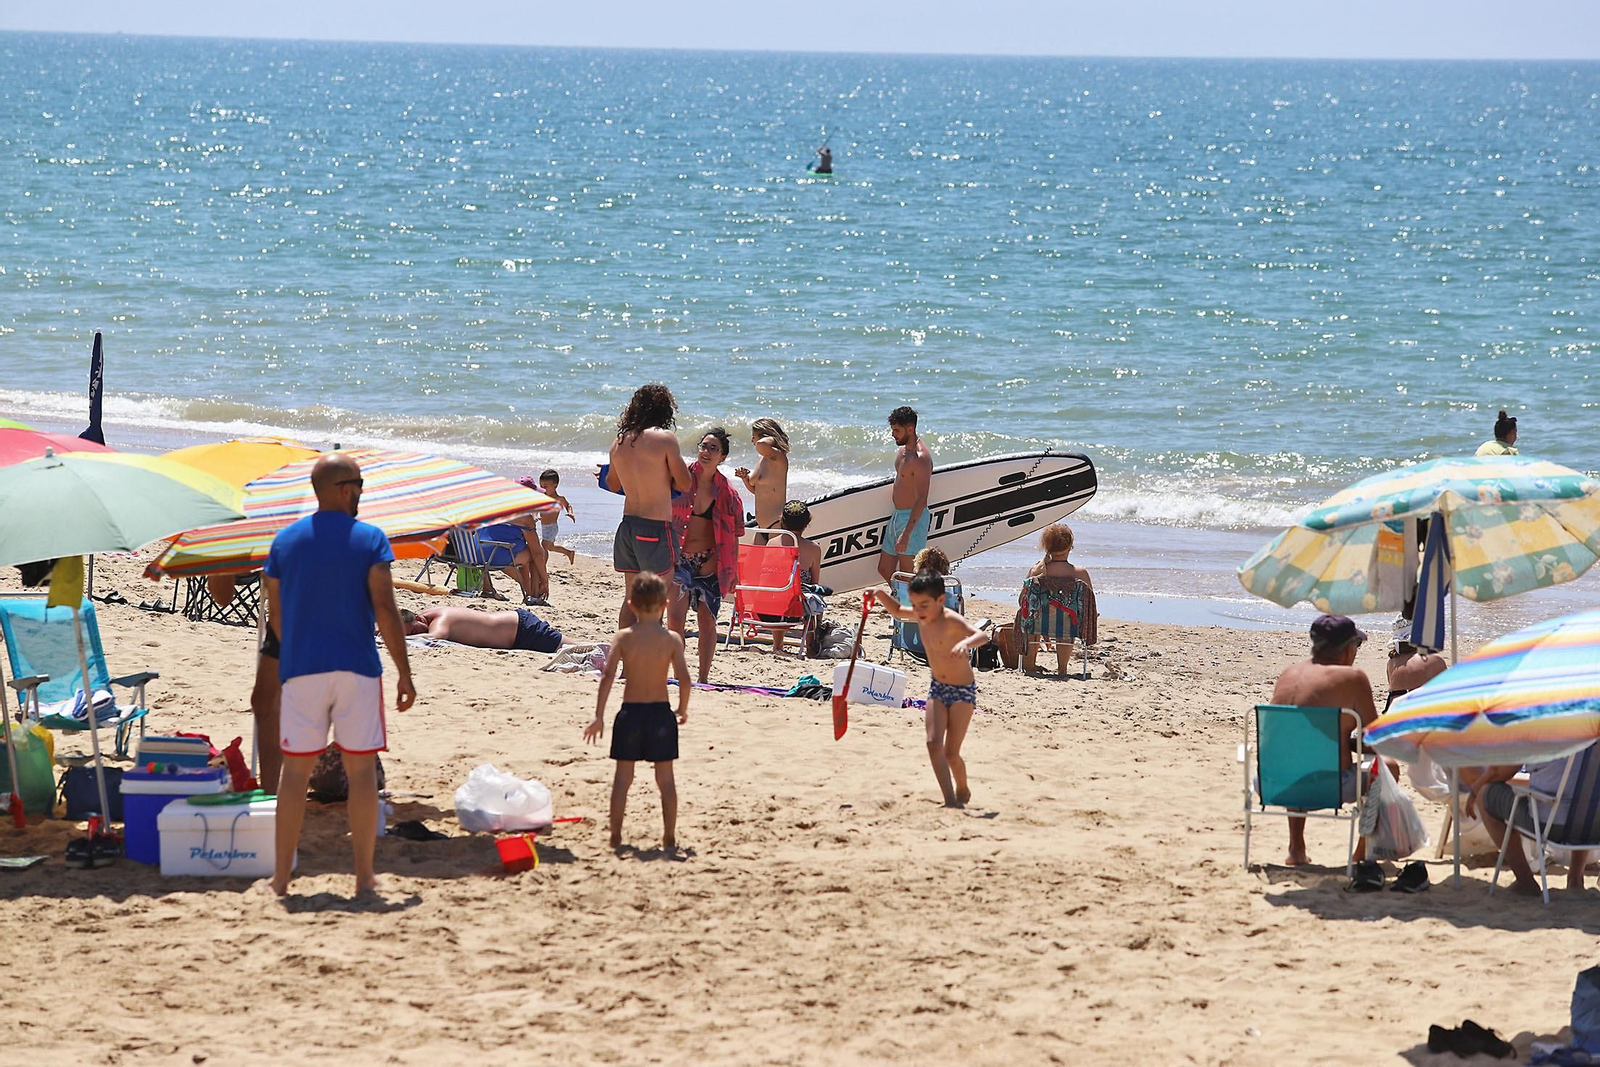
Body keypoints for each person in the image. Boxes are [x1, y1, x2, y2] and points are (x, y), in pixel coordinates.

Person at [263, 453, 415, 897]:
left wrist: (295, 655)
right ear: (345, 489)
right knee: (361, 771)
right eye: (360, 486)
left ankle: (281, 878)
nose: (362, 493)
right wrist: (404, 672)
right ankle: (364, 876)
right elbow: (385, 609)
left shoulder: (285, 541)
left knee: (295, 774)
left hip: (302, 670)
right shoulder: (369, 539)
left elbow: (276, 615)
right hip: (357, 668)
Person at [1269, 615, 1391, 867]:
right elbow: (1377, 737)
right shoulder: (1353, 678)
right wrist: (1352, 744)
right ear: (1347, 649)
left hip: (1274, 782)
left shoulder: (1289, 673)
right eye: (1357, 645)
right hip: (1330, 787)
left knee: (1298, 758)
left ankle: (1296, 848)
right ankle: (1361, 853)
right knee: (1389, 766)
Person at [583, 575, 690, 853]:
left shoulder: (624, 637)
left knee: (623, 779)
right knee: (666, 780)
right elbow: (685, 679)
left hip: (630, 713)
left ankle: (616, 835)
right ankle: (669, 836)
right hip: (660, 715)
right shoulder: (672, 640)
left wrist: (599, 715)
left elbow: (608, 676)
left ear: (631, 604)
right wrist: (682, 707)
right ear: (665, 605)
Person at [869, 570, 989, 808]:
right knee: (933, 743)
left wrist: (966, 643)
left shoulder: (951, 620)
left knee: (951, 753)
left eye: (924, 605)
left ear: (940, 600)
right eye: (915, 605)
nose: (918, 611)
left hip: (962, 691)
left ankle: (962, 786)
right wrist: (880, 593)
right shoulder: (920, 615)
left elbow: (982, 635)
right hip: (938, 688)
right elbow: (897, 610)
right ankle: (950, 800)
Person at [608, 384, 692, 629]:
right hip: (655, 528)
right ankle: (649, 650)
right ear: (665, 410)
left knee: (631, 598)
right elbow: (685, 483)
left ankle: (626, 651)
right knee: (655, 600)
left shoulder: (619, 442)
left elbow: (613, 484)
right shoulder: (664, 439)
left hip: (628, 526)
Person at [669, 428, 745, 682]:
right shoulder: (679, 478)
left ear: (723, 457)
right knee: (675, 621)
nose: (707, 452)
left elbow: (735, 534)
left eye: (714, 448)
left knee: (707, 622)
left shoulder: (728, 493)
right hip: (679, 558)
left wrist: (732, 570)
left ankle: (703, 678)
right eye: (704, 446)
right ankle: (680, 675)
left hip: (711, 562)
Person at [1468, 757, 1591, 896]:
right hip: (1592, 828)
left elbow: (1498, 771)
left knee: (1485, 794)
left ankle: (1525, 881)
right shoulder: (1593, 742)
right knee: (1585, 801)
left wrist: (1474, 791)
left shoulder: (1542, 741)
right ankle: (1575, 879)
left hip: (1550, 825)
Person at [879, 406, 933, 584]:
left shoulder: (920, 458)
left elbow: (922, 499)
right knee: (884, 568)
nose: (893, 434)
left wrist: (907, 533)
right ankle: (901, 598)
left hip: (912, 520)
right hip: (897, 516)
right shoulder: (902, 452)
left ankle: (908, 601)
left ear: (910, 429)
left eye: (897, 430)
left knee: (907, 576)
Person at [772, 499, 827, 656]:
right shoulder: (813, 549)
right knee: (814, 596)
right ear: (806, 523)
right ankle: (810, 646)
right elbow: (814, 583)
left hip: (770, 605)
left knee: (780, 591)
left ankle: (778, 645)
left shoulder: (772, 543)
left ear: (782, 520)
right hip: (798, 608)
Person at [400, 605, 563, 653]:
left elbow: (436, 636)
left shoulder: (440, 619)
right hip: (515, 632)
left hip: (522, 629)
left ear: (418, 618)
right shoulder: (426, 617)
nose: (419, 635)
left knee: (571, 647)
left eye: (414, 632)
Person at [734, 418, 790, 535]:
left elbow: (761, 444)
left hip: (776, 523)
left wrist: (773, 437)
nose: (752, 441)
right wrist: (745, 478)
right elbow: (757, 490)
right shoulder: (762, 460)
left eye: (753, 436)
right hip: (761, 526)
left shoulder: (778, 458)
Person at [1384, 615, 1447, 711]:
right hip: (1421, 714)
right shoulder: (1433, 660)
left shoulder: (1391, 663)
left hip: (1396, 714)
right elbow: (1447, 691)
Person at [530, 470, 577, 564]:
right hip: (544, 527)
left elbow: (568, 505)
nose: (543, 489)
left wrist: (570, 513)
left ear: (555, 486)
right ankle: (568, 552)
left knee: (544, 546)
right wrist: (535, 516)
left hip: (552, 527)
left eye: (545, 486)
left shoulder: (559, 499)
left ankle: (542, 567)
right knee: (551, 547)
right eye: (541, 486)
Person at [1027, 524, 1093, 587]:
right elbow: (1090, 595)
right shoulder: (1081, 573)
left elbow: (1023, 594)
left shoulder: (1035, 571)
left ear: (1047, 547)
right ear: (1070, 546)